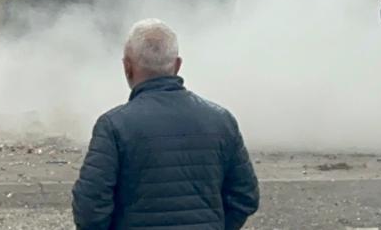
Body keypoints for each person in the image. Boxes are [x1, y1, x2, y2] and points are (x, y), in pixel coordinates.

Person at [72, 19, 259, 230]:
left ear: (127, 67)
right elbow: (245, 196)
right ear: (177, 65)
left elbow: (90, 207)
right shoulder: (222, 120)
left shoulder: (113, 125)